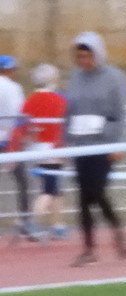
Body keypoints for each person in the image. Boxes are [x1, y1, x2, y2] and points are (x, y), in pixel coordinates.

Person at [63, 31, 126, 265]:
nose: (84, 61)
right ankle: (88, 249)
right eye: (80, 56)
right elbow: (69, 112)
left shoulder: (115, 78)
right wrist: (65, 144)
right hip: (80, 145)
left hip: (104, 144)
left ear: (98, 54)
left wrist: (119, 143)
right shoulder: (75, 77)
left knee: (97, 191)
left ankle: (117, 230)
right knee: (83, 198)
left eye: (88, 56)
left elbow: (122, 114)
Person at [22, 63, 70, 240]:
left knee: (54, 188)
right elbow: (64, 126)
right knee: (49, 190)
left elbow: (24, 126)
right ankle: (33, 222)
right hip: (54, 149)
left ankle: (58, 225)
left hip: (36, 149)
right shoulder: (59, 100)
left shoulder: (29, 101)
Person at [0, 55, 38, 242]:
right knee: (23, 182)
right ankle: (24, 222)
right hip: (10, 140)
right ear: (9, 70)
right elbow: (20, 115)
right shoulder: (14, 88)